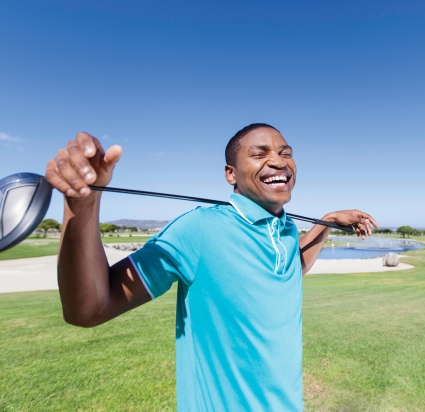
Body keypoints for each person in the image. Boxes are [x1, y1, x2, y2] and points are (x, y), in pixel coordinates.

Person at [45, 123, 377, 411]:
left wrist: (328, 221)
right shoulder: (198, 230)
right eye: (259, 154)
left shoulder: (287, 229)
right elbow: (89, 308)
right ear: (230, 174)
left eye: (285, 153)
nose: (278, 160)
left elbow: (291, 269)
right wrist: (82, 203)